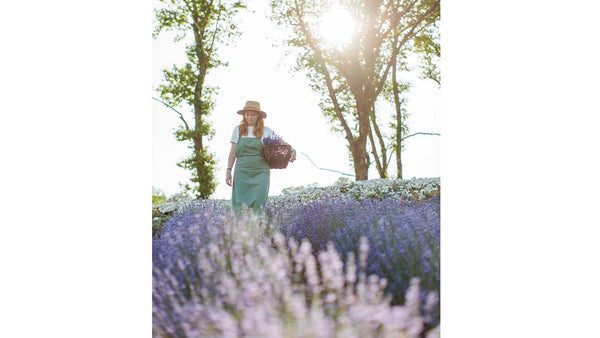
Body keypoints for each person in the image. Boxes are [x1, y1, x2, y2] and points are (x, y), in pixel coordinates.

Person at [226, 100, 296, 214]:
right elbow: (232, 152)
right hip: (242, 171)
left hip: (260, 172)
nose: (249, 117)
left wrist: (292, 150)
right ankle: (239, 230)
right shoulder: (237, 130)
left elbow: (283, 144)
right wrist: (228, 170)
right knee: (239, 205)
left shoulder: (265, 130)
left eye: (253, 114)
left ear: (258, 116)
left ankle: (258, 230)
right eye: (247, 114)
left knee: (258, 204)